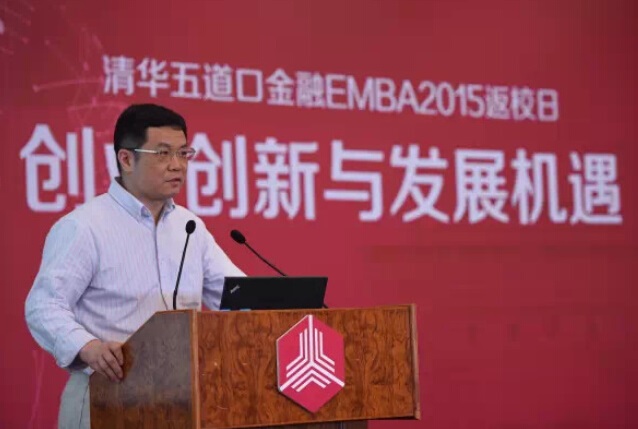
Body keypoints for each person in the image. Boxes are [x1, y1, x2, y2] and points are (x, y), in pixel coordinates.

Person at [24, 103, 244, 429]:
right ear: (126, 159)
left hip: (180, 399)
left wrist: (278, 306)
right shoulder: (84, 226)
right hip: (107, 394)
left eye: (184, 153)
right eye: (163, 153)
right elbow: (43, 306)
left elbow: (235, 294)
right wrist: (88, 347)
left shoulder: (190, 227)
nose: (177, 165)